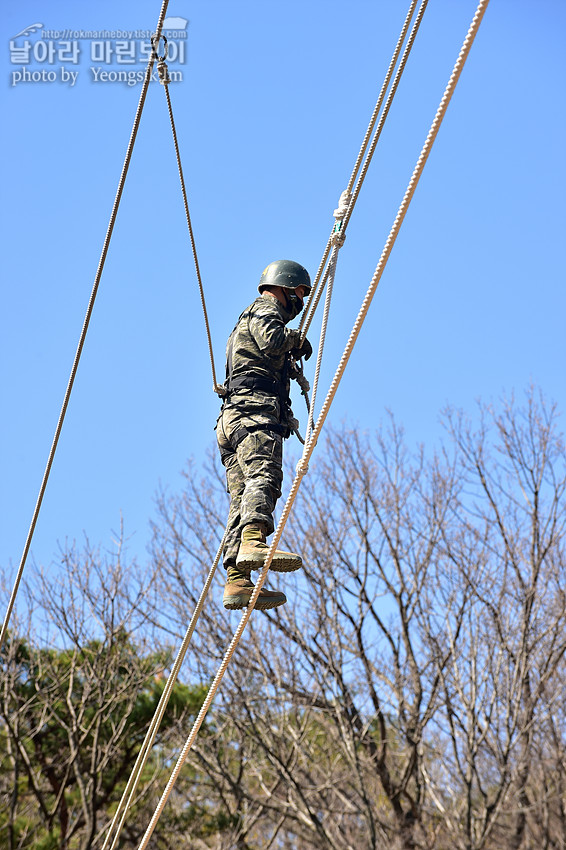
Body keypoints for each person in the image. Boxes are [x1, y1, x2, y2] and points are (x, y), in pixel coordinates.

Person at [217, 260, 313, 611]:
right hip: (253, 413)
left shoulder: (248, 318)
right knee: (264, 477)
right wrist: (295, 341)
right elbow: (273, 341)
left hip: (232, 421)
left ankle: (237, 581)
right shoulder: (264, 310)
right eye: (299, 293)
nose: (301, 301)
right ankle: (254, 541)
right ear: (284, 287)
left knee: (240, 499)